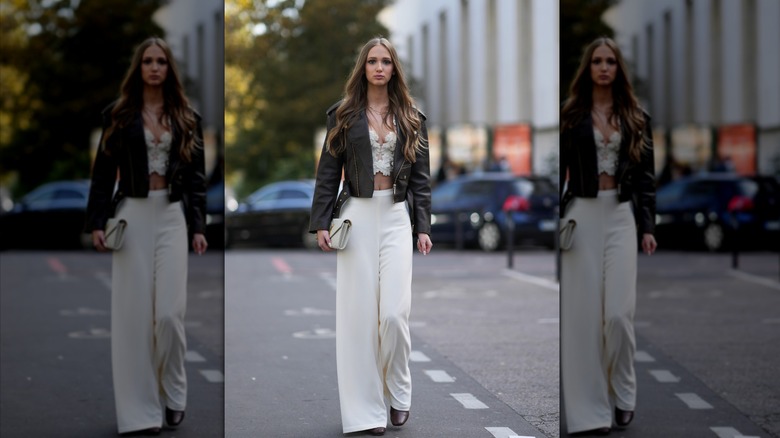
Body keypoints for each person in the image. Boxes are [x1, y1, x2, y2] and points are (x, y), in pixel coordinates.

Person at [309, 36, 432, 436]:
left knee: (394, 316)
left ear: (394, 69)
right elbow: (328, 173)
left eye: (386, 62)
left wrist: (423, 226)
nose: (379, 68)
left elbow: (421, 180)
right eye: (372, 61)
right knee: (359, 321)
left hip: (397, 217)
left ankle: (398, 391)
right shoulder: (342, 115)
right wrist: (321, 221)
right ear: (363, 68)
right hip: (357, 218)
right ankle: (366, 413)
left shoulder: (412, 117)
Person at [84, 37, 207, 436]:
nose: (155, 68)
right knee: (134, 320)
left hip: (172, 216)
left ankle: (174, 392)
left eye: (161, 62)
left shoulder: (187, 117)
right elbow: (102, 175)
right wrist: (98, 222)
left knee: (169, 317)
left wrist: (199, 226)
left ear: (169, 69)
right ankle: (141, 412)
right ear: (139, 68)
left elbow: (196, 179)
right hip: (132, 217)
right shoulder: (118, 115)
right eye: (148, 62)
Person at [559, 36, 657, 436]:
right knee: (583, 323)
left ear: (618, 69)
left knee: (617, 316)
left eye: (610, 61)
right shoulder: (571, 116)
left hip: (620, 215)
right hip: (581, 216)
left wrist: (648, 226)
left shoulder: (636, 117)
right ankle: (591, 412)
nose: (604, 67)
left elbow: (647, 179)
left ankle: (624, 393)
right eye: (597, 61)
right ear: (589, 67)